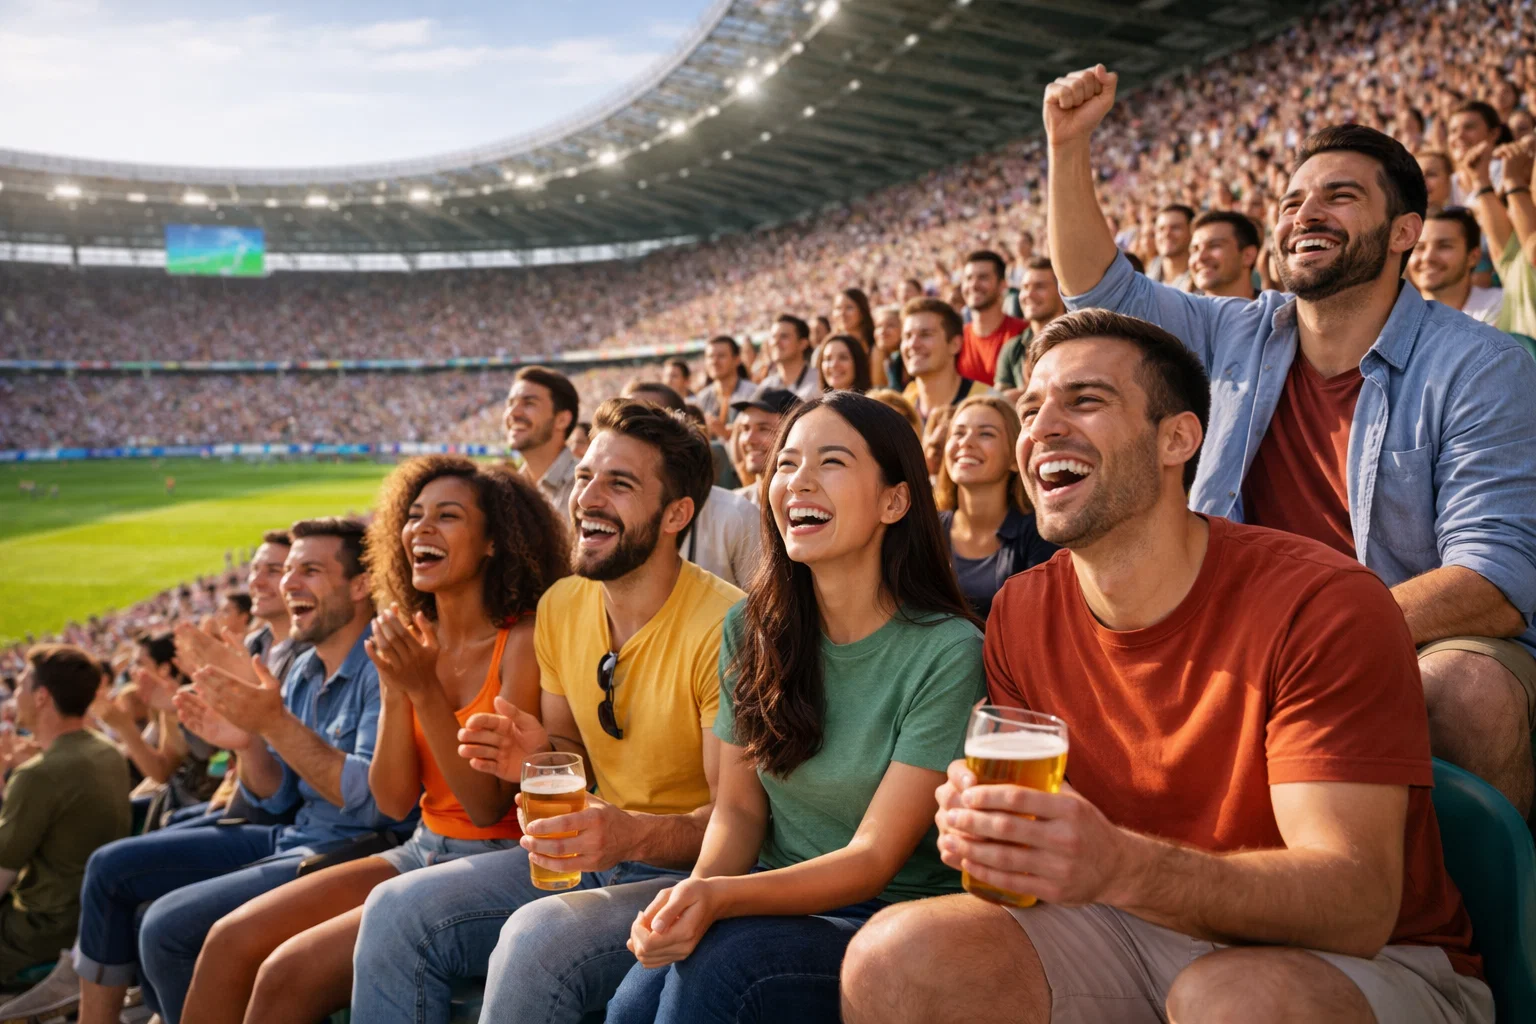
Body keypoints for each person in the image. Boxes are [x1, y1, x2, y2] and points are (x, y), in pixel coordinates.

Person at [840, 307, 1489, 1024]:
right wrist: (999, 836)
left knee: (1229, 1001)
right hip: (1129, 924)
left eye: (1085, 400)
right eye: (1030, 409)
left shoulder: (1322, 603)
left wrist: (1121, 864)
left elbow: (1357, 905)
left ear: (1177, 438)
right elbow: (1049, 861)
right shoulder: (1020, 611)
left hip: (1366, 959)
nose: (1042, 428)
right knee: (895, 959)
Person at [1043, 64, 1536, 815]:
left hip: (1407, 635)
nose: (1307, 214)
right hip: (1244, 629)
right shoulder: (1236, 330)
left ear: (1404, 232)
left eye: (1341, 196)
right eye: (1293, 201)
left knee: (1466, 693)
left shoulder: (1480, 365)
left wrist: (1311, 636)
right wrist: (1067, 147)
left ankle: (1461, 894)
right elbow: (1102, 292)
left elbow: (1495, 579)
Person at [349, 398, 742, 1024]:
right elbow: (571, 753)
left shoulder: (728, 626)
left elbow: (734, 822)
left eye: (619, 483)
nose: (587, 497)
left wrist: (630, 833)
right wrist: (539, 755)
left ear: (676, 514)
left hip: (684, 874)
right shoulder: (563, 604)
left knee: (534, 942)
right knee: (394, 909)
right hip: (589, 855)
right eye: (584, 476)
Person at [607, 390, 986, 1023]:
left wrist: (721, 900)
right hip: (771, 895)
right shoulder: (749, 628)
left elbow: (873, 860)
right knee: (630, 1006)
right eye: (785, 463)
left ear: (894, 501)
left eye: (831, 461)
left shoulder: (948, 652)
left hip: (894, 922)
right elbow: (737, 811)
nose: (797, 481)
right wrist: (693, 896)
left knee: (723, 971)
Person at [178, 458, 569, 1024]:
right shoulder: (410, 636)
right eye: (413, 516)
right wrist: (396, 689)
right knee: (229, 940)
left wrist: (424, 691)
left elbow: (485, 808)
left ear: (493, 542)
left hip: (500, 858)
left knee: (286, 975)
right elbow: (392, 799)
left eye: (447, 516)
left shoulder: (524, 640)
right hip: (421, 846)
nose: (421, 528)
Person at [57, 517, 403, 1024]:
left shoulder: (382, 666)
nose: (288, 583)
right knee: (114, 870)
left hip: (353, 850)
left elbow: (376, 804)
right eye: (287, 570)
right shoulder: (304, 670)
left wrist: (272, 724)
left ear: (359, 586)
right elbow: (278, 797)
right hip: (294, 834)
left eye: (309, 570)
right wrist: (247, 745)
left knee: (165, 928)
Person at [0, 647, 128, 988]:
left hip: (41, 931)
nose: (14, 696)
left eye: (20, 686)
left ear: (41, 696)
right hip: (90, 919)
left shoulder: (38, 775)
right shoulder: (106, 750)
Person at [624, 382, 762, 589]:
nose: (626, 436)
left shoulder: (736, 515)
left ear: (679, 431)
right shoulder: (605, 514)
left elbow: (765, 604)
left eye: (642, 426)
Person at [933, 396, 1057, 618]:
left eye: (986, 434)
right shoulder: (926, 528)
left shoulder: (1040, 534)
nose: (966, 442)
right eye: (958, 433)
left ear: (1014, 459)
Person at [503, 365, 580, 515]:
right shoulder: (507, 490)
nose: (513, 412)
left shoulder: (585, 486)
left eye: (529, 403)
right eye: (510, 403)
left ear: (562, 420)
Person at [901, 298, 990, 425]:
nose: (913, 344)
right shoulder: (900, 408)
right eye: (907, 336)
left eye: (925, 334)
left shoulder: (988, 405)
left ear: (955, 344)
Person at [1408, 208, 1504, 324]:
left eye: (1444, 246)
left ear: (1473, 257)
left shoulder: (1502, 307)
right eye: (1419, 247)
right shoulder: (1396, 315)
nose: (1427, 257)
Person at [993, 257, 1067, 401]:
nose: (1029, 294)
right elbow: (998, 403)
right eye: (1025, 287)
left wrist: (1025, 394)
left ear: (1061, 290)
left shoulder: (1078, 340)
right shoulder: (1013, 348)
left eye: (1040, 287)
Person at [242, 530, 304, 682]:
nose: (256, 581)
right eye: (255, 569)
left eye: (273, 571)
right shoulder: (254, 643)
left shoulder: (315, 654)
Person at [958, 251, 1027, 384]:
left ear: (1002, 285)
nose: (974, 285)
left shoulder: (1023, 334)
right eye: (968, 278)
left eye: (983, 278)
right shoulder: (956, 340)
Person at [729, 386, 800, 505]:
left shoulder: (809, 506)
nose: (749, 439)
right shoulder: (734, 505)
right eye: (745, 428)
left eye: (763, 429)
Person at [692, 336, 756, 440]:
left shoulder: (753, 393)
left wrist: (726, 433)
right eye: (710, 356)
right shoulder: (702, 397)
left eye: (721, 356)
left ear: (737, 359)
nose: (714, 361)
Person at [1189, 210, 1261, 300]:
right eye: (1195, 250)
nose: (1200, 257)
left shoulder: (1273, 307)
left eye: (1214, 245)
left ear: (1248, 255)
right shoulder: (1177, 308)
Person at [759, 314, 821, 401]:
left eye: (784, 336)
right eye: (773, 336)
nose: (775, 342)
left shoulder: (820, 383)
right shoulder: (766, 386)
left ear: (802, 344)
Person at [1146, 204, 1195, 290]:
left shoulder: (1204, 283)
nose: (1167, 234)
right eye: (1161, 229)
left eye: (1175, 228)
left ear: (1192, 232)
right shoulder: (1144, 280)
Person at [872, 304, 905, 390]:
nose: (882, 331)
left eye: (890, 325)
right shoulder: (877, 356)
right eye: (879, 326)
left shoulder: (907, 361)